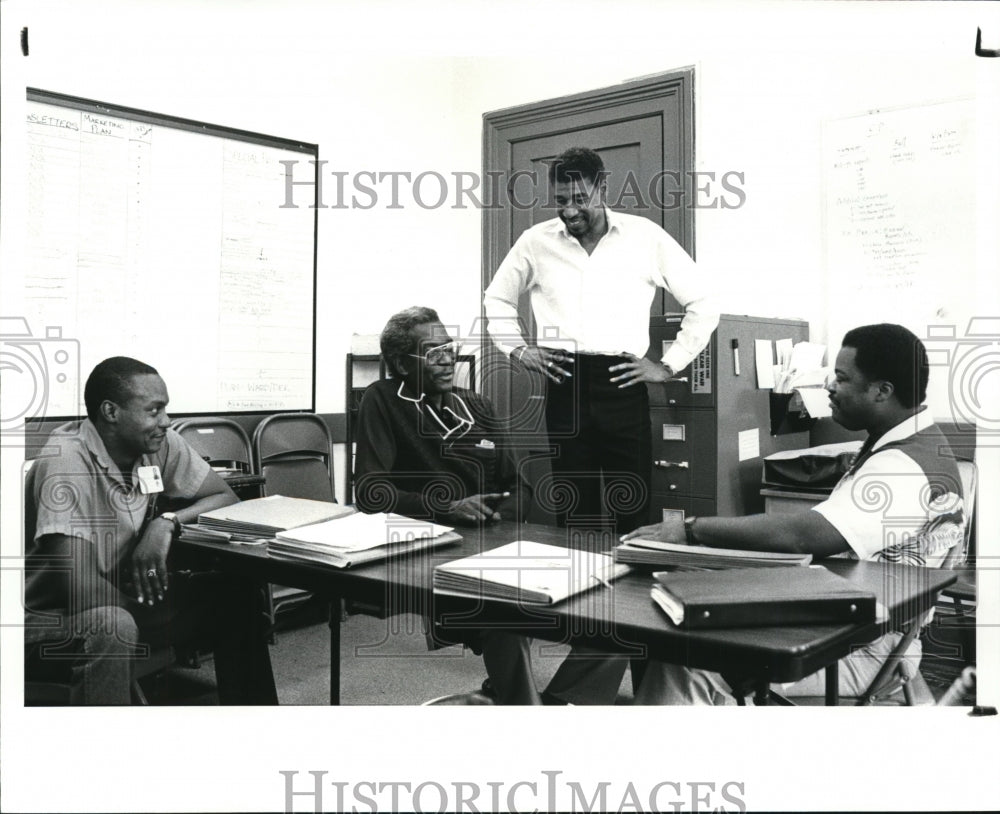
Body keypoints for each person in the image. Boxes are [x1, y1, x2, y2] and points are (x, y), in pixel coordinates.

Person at [623, 324, 966, 704]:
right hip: (852, 615)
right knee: (684, 611)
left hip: (862, 646)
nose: (830, 388)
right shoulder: (916, 443)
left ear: (882, 391)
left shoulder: (900, 467)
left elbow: (808, 536)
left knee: (686, 656)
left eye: (841, 378)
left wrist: (692, 530)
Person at [353, 307, 627, 704]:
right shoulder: (384, 399)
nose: (446, 358)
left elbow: (520, 486)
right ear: (400, 363)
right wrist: (448, 507)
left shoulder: (477, 404)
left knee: (615, 609)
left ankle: (565, 703)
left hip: (499, 539)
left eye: (448, 347)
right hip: (440, 545)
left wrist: (499, 513)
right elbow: (371, 493)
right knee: (505, 617)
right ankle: (527, 712)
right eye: (432, 352)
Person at [484, 146, 719, 534]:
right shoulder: (535, 241)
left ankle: (634, 588)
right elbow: (497, 298)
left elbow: (704, 302)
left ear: (603, 186)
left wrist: (668, 365)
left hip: (621, 382)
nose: (570, 210)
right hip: (564, 384)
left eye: (580, 199)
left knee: (632, 504)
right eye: (561, 200)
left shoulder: (645, 238)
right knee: (576, 510)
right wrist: (518, 348)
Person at [24, 356, 278, 705]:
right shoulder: (66, 461)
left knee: (232, 593)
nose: (166, 421)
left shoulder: (157, 445)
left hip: (118, 598)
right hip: (50, 620)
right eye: (154, 410)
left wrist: (166, 523)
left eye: (165, 409)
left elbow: (225, 496)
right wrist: (147, 611)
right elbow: (76, 586)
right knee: (113, 626)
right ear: (111, 412)